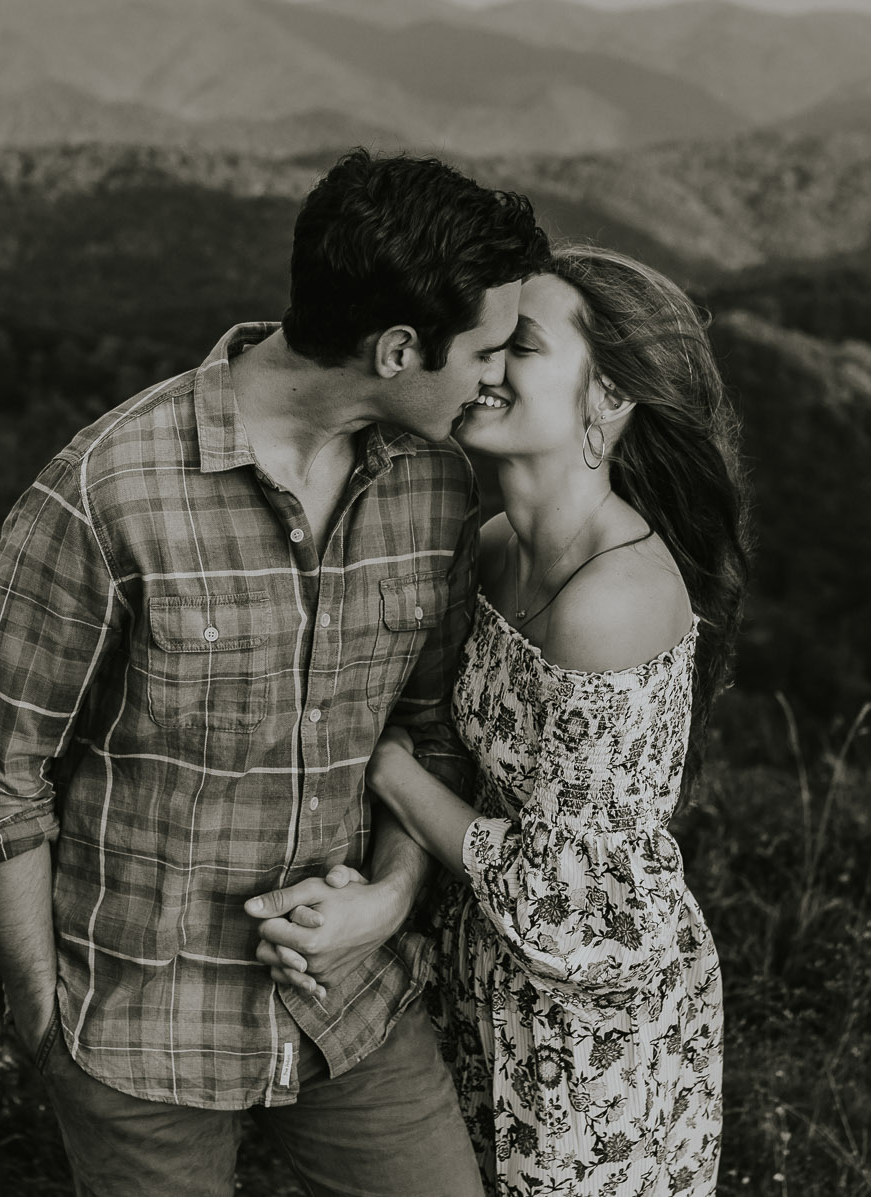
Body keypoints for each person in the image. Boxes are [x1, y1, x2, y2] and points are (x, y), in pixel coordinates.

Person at [0, 149, 552, 1197]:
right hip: (138, 1028)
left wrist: (390, 898)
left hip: (353, 1007)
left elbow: (430, 725)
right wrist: (41, 1017)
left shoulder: (434, 485)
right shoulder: (105, 492)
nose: (496, 379)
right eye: (487, 351)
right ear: (399, 348)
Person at [338, 246, 751, 1195]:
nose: (483, 364)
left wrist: (389, 769)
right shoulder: (492, 547)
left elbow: (562, 892)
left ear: (609, 396)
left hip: (591, 1023)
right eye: (485, 341)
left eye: (518, 346)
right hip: (485, 976)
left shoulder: (611, 600)